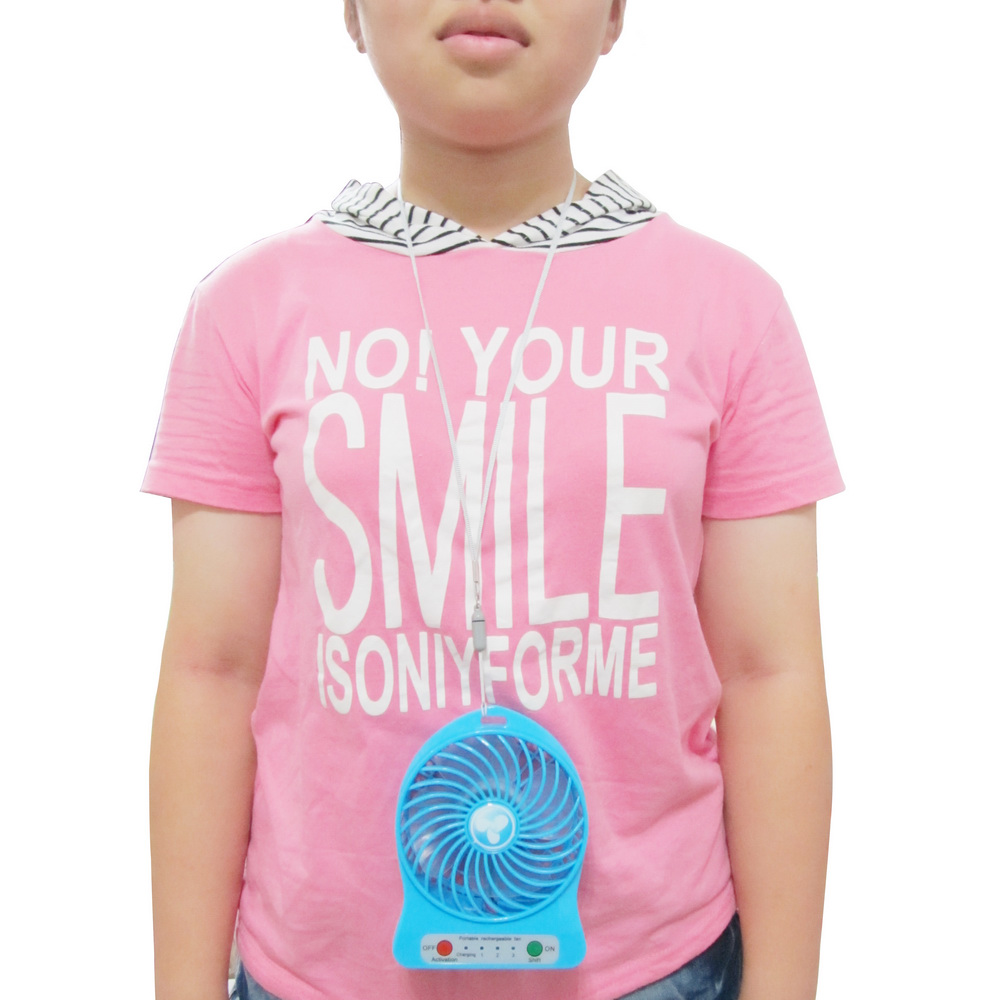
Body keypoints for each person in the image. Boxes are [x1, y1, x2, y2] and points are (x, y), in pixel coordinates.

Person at [144, 2, 844, 999]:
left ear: (614, 14)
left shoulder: (729, 307)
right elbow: (212, 671)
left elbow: (768, 672)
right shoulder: (247, 308)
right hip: (315, 974)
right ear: (350, 12)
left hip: (654, 967)